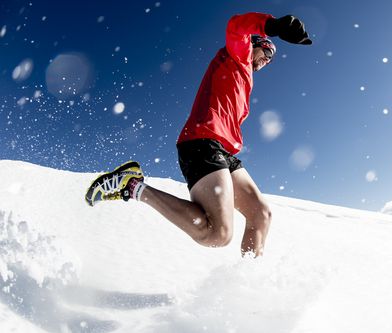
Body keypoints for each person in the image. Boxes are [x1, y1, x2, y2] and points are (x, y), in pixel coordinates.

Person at [85, 12, 312, 257]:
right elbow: (236, 26)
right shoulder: (238, 54)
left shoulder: (245, 79)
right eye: (267, 53)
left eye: (271, 60)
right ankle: (132, 186)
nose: (267, 61)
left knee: (261, 214)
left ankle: (247, 286)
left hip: (223, 150)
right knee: (217, 234)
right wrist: (273, 25)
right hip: (202, 141)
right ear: (254, 45)